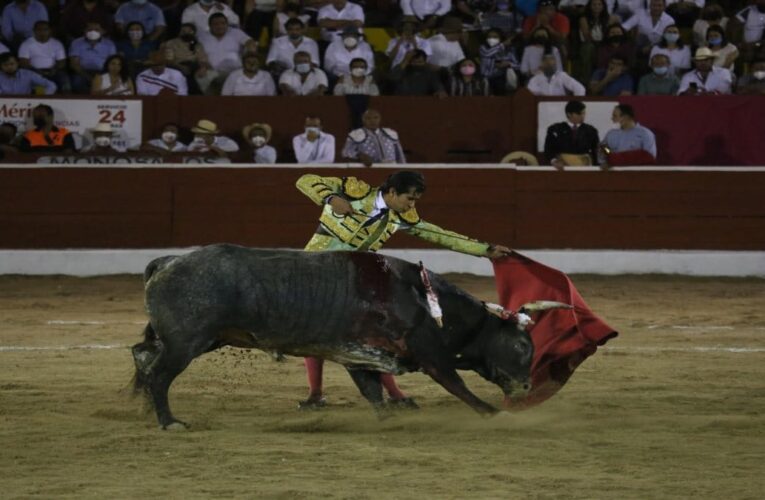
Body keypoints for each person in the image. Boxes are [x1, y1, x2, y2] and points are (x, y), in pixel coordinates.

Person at [294, 169, 512, 409]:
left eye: (415, 200)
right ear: (392, 192)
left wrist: (485, 250)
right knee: (315, 334)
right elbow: (305, 180)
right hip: (314, 273)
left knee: (369, 337)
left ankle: (394, 394)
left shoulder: (401, 217)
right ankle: (317, 394)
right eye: (409, 198)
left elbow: (441, 236)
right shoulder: (354, 191)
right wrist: (331, 198)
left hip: (350, 280)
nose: (412, 205)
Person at [161, 22, 217, 95]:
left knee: (204, 74)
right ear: (179, 32)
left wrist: (203, 67)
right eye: (183, 31)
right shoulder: (171, 43)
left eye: (189, 31)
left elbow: (202, 59)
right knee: (186, 74)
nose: (186, 33)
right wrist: (180, 67)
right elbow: (169, 60)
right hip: (177, 66)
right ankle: (196, 94)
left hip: (194, 66)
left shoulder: (197, 44)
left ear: (194, 33)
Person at [544, 100, 600, 168]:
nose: (582, 116)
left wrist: (600, 164)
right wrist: (554, 161)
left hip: (584, 167)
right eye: (579, 114)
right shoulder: (555, 129)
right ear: (569, 114)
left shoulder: (591, 131)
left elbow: (596, 151)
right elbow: (548, 149)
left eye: (583, 113)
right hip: (562, 167)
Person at [17, 21, 69, 93]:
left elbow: (62, 62)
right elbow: (23, 63)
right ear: (34, 31)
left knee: (63, 77)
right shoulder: (26, 44)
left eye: (45, 29)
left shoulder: (57, 44)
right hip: (33, 71)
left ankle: (66, 99)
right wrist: (36, 71)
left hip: (53, 71)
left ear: (50, 31)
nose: (42, 32)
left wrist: (54, 69)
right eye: (39, 30)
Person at [198, 12, 256, 77]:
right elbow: (197, 53)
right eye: (216, 24)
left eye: (223, 23)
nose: (220, 26)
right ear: (209, 25)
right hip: (211, 71)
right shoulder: (202, 37)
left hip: (235, 71)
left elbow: (250, 42)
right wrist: (202, 65)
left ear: (227, 24)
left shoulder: (235, 32)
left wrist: (250, 55)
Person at [68, 21, 117, 93]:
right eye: (89, 29)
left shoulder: (109, 44)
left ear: (103, 31)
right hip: (82, 72)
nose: (93, 32)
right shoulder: (76, 43)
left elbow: (112, 63)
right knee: (77, 82)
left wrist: (100, 76)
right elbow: (74, 64)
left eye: (97, 30)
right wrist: (88, 77)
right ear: (84, 31)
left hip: (102, 72)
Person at [479, 28, 519, 95]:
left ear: (500, 38)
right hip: (485, 79)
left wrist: (508, 64)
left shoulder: (508, 51)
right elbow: (487, 54)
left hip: (501, 80)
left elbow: (518, 65)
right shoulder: (483, 48)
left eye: (495, 37)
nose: (492, 39)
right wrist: (502, 45)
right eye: (489, 37)